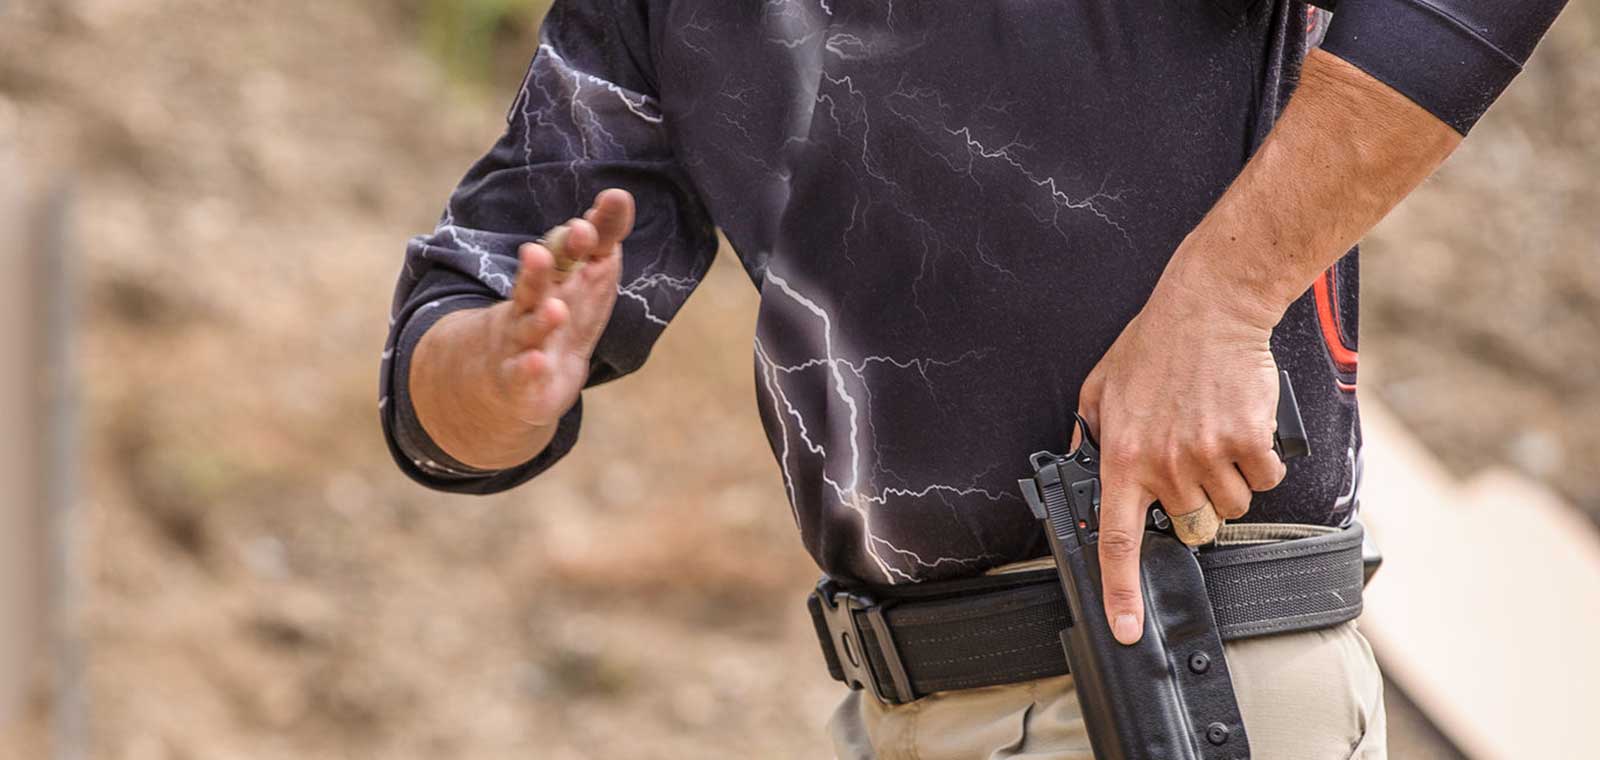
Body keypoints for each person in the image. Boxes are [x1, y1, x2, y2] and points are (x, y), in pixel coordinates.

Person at [380, 1, 1566, 757]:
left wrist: (1222, 296)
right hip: (902, 707)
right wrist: (504, 368)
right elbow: (445, 374)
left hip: (1186, 670)